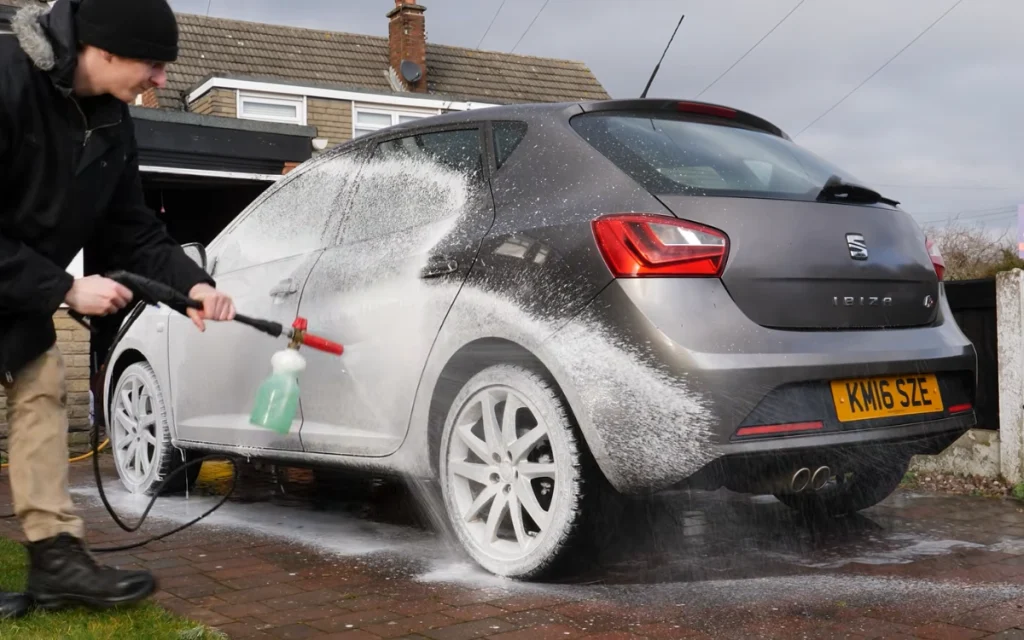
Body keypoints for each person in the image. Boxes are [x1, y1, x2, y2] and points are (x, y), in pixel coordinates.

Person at [0, 0, 235, 619]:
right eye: (154, 64)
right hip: (27, 278)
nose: (161, 80)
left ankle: (55, 563)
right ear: (101, 51)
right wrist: (64, 288)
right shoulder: (5, 82)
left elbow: (131, 230)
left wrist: (193, 289)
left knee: (42, 391)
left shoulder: (110, 121)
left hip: (18, 289)